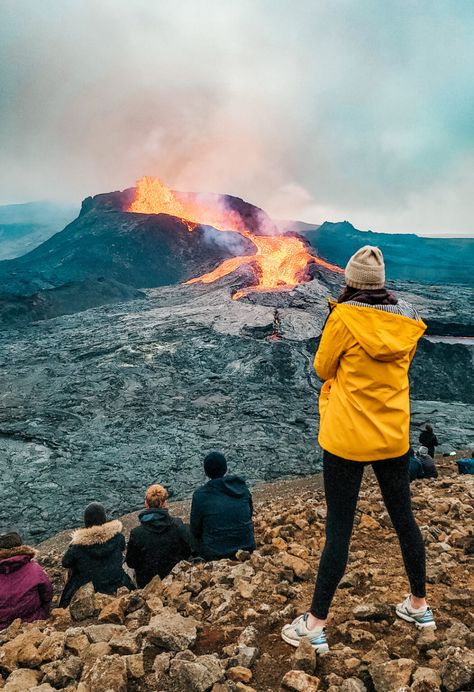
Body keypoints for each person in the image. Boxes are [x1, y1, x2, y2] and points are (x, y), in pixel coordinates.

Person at [282, 245, 436, 654]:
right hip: (391, 436)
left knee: (339, 531)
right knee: (405, 519)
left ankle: (314, 626)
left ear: (350, 280)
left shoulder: (344, 318)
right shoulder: (407, 320)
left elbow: (321, 367)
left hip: (347, 439)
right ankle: (419, 605)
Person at [59, 502, 134, 608]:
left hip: (89, 589)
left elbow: (65, 562)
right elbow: (122, 548)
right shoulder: (118, 538)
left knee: (72, 570)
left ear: (86, 522)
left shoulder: (78, 546)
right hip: (117, 584)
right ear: (104, 519)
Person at [190, 452, 255, 560]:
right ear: (225, 468)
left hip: (215, 553)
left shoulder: (200, 495)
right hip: (247, 547)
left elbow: (195, 530)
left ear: (206, 472)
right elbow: (250, 514)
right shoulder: (241, 487)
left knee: (188, 531)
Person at [126, 484, 192, 587]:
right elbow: (187, 552)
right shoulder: (178, 525)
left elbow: (131, 563)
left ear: (146, 504)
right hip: (174, 579)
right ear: (165, 503)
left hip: (147, 583)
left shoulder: (137, 533)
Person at [0, 532, 53, 630]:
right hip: (33, 623)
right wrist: (44, 613)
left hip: (2, 629)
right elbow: (47, 593)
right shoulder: (35, 568)